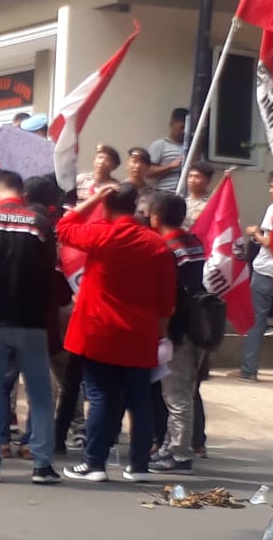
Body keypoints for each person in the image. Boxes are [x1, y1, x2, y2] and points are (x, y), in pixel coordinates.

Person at [57, 182, 176, 483]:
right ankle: (138, 465)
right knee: (140, 400)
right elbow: (165, 300)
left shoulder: (101, 235)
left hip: (98, 332)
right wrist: (162, 335)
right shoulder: (156, 244)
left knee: (100, 398)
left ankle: (94, 463)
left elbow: (64, 225)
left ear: (107, 206)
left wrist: (95, 197)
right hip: (140, 334)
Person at [0, 170, 61, 484]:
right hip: (31, 320)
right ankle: (42, 464)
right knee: (40, 393)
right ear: (23, 193)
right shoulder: (41, 225)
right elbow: (50, 276)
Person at [148, 192, 206, 473]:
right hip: (197, 326)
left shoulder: (165, 247)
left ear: (155, 217)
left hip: (179, 330)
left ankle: (179, 454)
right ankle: (169, 446)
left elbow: (169, 294)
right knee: (180, 391)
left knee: (176, 394)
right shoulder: (193, 242)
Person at [235, 172, 273, 385]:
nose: (270, 190)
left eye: (272, 186)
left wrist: (254, 232)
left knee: (257, 323)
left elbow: (269, 243)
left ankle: (249, 370)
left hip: (266, 273)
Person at [148, 107, 188, 193]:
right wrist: (171, 166)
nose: (184, 131)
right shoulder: (160, 145)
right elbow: (148, 173)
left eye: (187, 129)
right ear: (172, 123)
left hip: (186, 195)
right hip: (165, 192)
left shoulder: (191, 147)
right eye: (182, 127)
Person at [125, 146, 156, 221]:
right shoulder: (118, 190)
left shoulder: (153, 194)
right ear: (127, 164)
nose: (137, 166)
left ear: (148, 167)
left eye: (142, 162)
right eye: (134, 161)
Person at [184, 160, 214, 228]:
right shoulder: (181, 202)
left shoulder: (211, 203)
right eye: (190, 176)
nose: (192, 180)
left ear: (208, 180)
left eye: (197, 177)